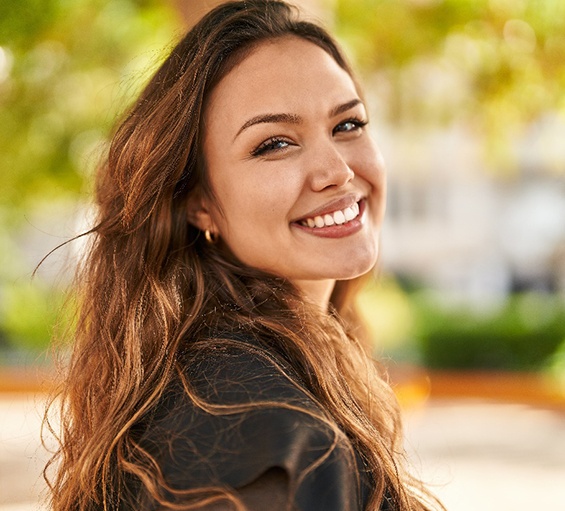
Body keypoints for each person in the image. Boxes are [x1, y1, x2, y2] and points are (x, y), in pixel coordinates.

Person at [46, 1, 443, 510]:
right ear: (199, 203)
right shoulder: (259, 435)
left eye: (348, 125)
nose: (337, 171)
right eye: (275, 143)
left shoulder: (248, 381)